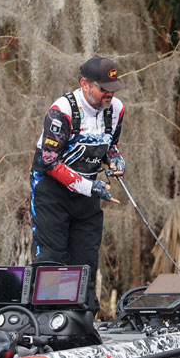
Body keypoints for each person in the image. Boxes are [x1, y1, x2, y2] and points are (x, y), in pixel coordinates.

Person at [29, 56, 126, 313]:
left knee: (85, 260)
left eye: (113, 88)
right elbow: (49, 161)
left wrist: (116, 160)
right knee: (52, 259)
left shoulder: (116, 109)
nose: (109, 94)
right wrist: (89, 187)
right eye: (104, 88)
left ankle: (81, 321)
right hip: (52, 193)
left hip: (87, 195)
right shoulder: (61, 110)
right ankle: (49, 321)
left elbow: (110, 145)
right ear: (85, 84)